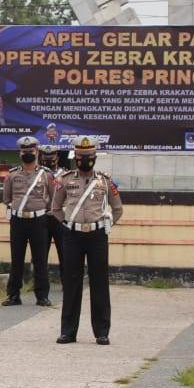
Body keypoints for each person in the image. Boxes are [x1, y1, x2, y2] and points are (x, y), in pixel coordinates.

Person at [50, 136, 123, 345]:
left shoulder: (105, 181)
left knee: (99, 282)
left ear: (94, 157)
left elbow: (117, 208)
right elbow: (55, 207)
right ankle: (68, 332)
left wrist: (108, 223)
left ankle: (102, 332)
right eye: (81, 156)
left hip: (97, 236)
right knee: (71, 282)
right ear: (75, 157)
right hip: (72, 235)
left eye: (88, 156)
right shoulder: (65, 180)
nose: (84, 160)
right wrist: (67, 224)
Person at [2, 135, 55, 307]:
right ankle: (13, 295)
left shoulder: (46, 175)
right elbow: (6, 198)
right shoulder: (12, 175)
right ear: (20, 153)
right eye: (24, 151)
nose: (27, 154)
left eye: (30, 151)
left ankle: (42, 296)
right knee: (16, 259)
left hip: (39, 221)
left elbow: (54, 198)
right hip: (18, 221)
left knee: (40, 259)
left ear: (37, 152)